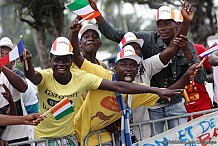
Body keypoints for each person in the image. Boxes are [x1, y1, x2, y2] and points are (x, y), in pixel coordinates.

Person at [22, 36, 181, 144]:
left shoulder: (83, 78)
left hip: (74, 138)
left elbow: (121, 87)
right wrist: (27, 63)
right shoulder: (48, 76)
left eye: (133, 65)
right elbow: (32, 76)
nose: (128, 69)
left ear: (70, 61)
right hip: (54, 137)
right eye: (57, 59)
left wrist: (159, 90)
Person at [69, 17, 200, 145]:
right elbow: (76, 57)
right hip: (76, 134)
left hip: (109, 138)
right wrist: (74, 32)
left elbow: (167, 91)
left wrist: (187, 75)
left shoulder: (138, 90)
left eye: (133, 65)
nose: (128, 69)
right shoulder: (102, 73)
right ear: (115, 66)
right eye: (124, 64)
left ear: (138, 67)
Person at [88, 0, 207, 135]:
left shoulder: (187, 45)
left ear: (177, 25)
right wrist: (96, 13)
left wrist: (187, 53)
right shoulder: (147, 39)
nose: (163, 28)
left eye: (167, 24)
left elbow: (200, 78)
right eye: (159, 24)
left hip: (175, 103)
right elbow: (116, 35)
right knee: (152, 141)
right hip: (153, 106)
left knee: (181, 141)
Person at [0, 37, 30, 144]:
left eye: (8, 56)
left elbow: (23, 87)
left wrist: (2, 66)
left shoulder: (17, 73)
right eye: (1, 55)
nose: (4, 58)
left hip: (20, 137)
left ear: (13, 61)